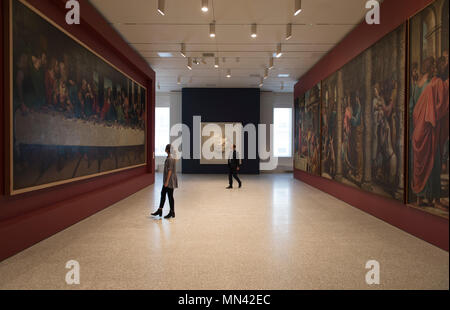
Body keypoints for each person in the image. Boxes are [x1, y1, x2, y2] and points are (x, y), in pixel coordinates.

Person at [151, 144, 178, 218]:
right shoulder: (171, 158)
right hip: (170, 180)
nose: (165, 149)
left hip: (169, 180)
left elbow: (170, 171)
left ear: (167, 150)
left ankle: (169, 212)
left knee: (167, 195)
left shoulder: (170, 159)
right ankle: (165, 211)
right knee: (166, 194)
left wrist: (166, 182)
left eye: (165, 148)